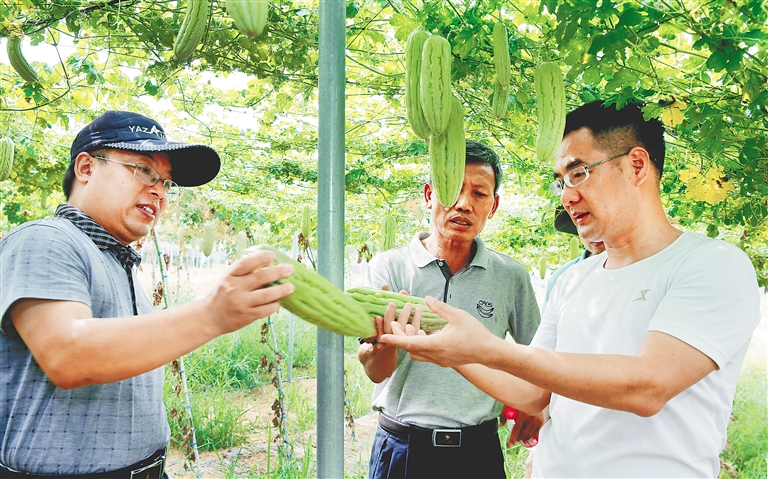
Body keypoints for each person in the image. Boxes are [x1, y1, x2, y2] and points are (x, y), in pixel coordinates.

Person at [379, 100, 762, 478]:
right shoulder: (575, 280)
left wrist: (487, 348)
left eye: (579, 173)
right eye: (561, 181)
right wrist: (451, 351)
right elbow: (532, 391)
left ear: (637, 165)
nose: (566, 195)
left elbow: (648, 386)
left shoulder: (711, 264)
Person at [0, 111, 295, 477]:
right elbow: (68, 355)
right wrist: (212, 315)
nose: (158, 191)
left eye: (166, 182)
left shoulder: (119, 259)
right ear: (86, 168)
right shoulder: (46, 239)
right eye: (143, 170)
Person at [358, 140, 541, 479]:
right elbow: (375, 371)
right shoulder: (390, 267)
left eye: (479, 194)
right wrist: (385, 342)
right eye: (451, 190)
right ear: (429, 195)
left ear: (494, 205)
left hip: (478, 451)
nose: (463, 204)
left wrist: (535, 407)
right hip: (403, 448)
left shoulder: (510, 276)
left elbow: (541, 361)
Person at [542, 207, 606, 307]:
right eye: (584, 225)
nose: (594, 233)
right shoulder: (560, 278)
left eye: (601, 224)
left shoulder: (636, 267)